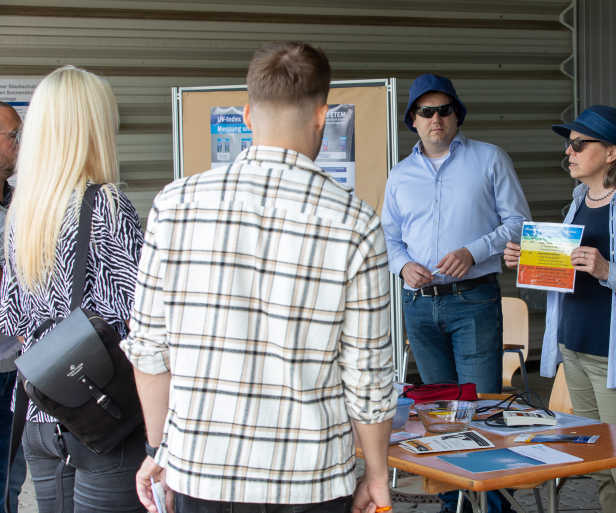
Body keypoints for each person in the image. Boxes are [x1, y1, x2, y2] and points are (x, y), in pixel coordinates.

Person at [121, 41, 396, 513]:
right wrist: (375, 474)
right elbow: (368, 375)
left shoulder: (175, 205)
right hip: (309, 480)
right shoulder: (355, 222)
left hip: (199, 469)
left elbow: (148, 347)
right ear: (322, 116)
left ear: (247, 115)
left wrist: (157, 448)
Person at [504, 105, 616, 513]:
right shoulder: (578, 200)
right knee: (600, 467)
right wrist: (528, 260)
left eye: (578, 144)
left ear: (611, 153)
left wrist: (609, 270)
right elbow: (566, 275)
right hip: (577, 353)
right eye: (568, 146)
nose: (568, 153)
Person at [381, 73, 530, 513]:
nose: (436, 119)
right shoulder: (400, 175)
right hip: (419, 306)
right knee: (438, 412)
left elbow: (519, 223)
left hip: (474, 299)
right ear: (413, 119)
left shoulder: (489, 159)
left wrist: (474, 250)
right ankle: (453, 503)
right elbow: (387, 240)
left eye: (444, 110)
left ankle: (492, 506)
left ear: (457, 115)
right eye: (426, 112)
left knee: (479, 408)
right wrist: (403, 265)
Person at [0, 67, 146, 513]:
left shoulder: (23, 208)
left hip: (40, 411)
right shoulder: (105, 202)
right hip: (101, 413)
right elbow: (142, 318)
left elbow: (9, 317)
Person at [0, 101, 26, 513]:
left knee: (10, 476)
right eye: (12, 136)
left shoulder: (20, 203)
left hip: (18, 365)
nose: (20, 144)